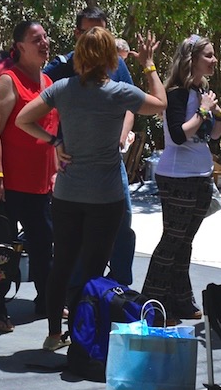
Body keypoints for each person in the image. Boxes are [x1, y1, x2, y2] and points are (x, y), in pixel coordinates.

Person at [18, 26, 165, 350]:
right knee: (94, 269)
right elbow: (160, 103)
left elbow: (23, 119)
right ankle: (85, 334)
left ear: (81, 56)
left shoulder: (62, 88)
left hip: (68, 193)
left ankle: (54, 334)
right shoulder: (119, 92)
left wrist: (54, 141)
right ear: (110, 58)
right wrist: (149, 64)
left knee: (64, 263)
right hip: (105, 196)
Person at [44, 6, 138, 286]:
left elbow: (133, 104)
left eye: (103, 33)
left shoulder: (116, 64)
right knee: (75, 232)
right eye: (89, 32)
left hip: (110, 159)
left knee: (124, 221)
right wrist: (54, 143)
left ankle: (118, 287)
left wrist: (123, 133)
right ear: (77, 34)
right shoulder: (61, 67)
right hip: (72, 160)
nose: (97, 39)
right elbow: (34, 105)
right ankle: (74, 292)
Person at [0, 20, 57, 333]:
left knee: (43, 245)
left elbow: (51, 133)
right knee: (0, 249)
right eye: (36, 39)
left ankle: (45, 300)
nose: (44, 43)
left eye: (45, 38)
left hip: (40, 184)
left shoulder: (50, 82)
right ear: (20, 47)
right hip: (7, 184)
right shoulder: (9, 81)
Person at [142, 33, 221, 322]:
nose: (214, 60)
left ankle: (179, 299)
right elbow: (178, 136)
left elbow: (214, 135)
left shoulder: (202, 93)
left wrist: (217, 112)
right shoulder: (176, 93)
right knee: (172, 241)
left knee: (184, 242)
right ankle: (151, 303)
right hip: (178, 177)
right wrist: (203, 111)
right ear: (192, 59)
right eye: (209, 55)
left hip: (201, 175)